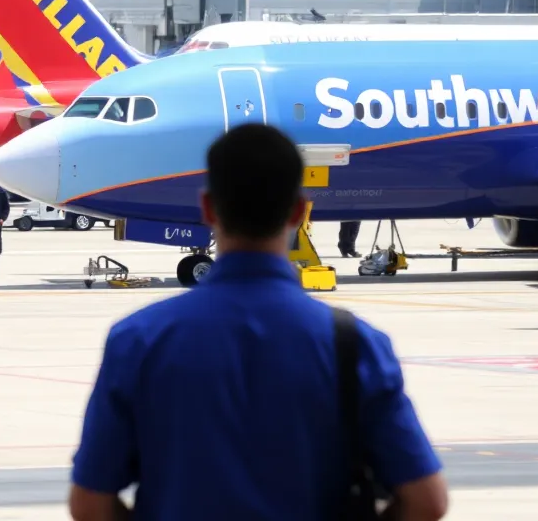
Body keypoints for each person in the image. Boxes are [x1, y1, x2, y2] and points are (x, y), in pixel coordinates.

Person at [68, 124, 448, 521]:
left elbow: (90, 504)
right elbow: (427, 501)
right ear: (299, 211)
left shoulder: (139, 340)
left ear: (209, 208)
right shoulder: (353, 344)